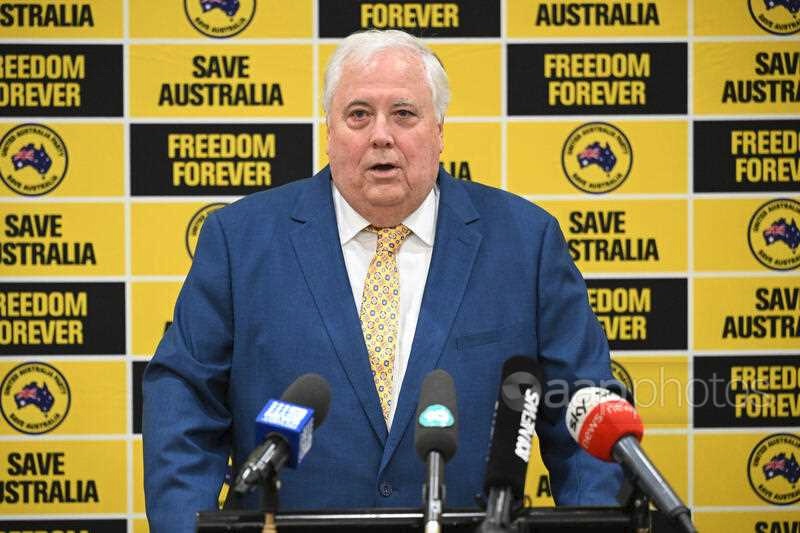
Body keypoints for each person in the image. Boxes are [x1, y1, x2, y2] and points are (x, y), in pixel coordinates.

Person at [142, 29, 622, 532]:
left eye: (404, 114)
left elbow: (585, 412)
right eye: (358, 114)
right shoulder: (240, 241)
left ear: (439, 129)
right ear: (329, 130)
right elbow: (184, 403)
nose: (381, 135)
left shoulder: (526, 244)